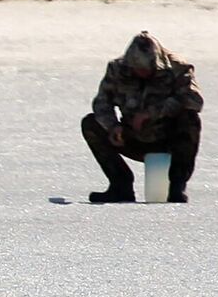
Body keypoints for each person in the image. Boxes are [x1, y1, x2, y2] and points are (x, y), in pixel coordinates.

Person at [82, 31, 203, 204]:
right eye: (137, 69)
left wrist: (153, 113)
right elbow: (102, 103)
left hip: (168, 138)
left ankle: (176, 186)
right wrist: (113, 126)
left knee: (190, 119)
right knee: (91, 123)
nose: (141, 73)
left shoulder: (178, 68)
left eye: (146, 69)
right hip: (132, 136)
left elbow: (195, 101)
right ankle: (120, 184)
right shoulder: (117, 70)